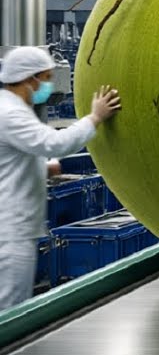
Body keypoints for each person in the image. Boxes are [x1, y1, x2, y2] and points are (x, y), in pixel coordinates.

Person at [0, 47, 121, 311]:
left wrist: (42, 168)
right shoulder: (10, 114)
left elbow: (12, 157)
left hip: (12, 227)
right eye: (44, 77)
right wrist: (95, 117)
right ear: (27, 78)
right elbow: (55, 143)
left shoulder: (8, 109)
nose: (48, 85)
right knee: (9, 308)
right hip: (10, 231)